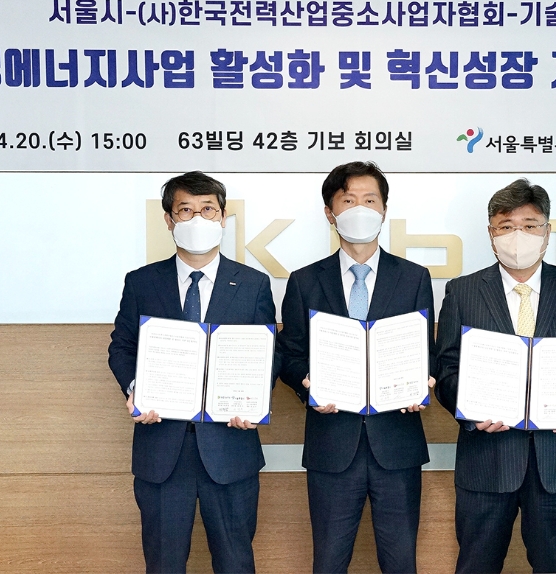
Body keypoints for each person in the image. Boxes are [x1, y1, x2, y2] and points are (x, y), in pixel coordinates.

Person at [434, 179, 556, 574]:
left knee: (555, 566)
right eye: (506, 226)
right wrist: (470, 412)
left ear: (547, 232)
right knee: (476, 565)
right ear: (491, 234)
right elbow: (446, 367)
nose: (518, 235)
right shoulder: (463, 291)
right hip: (486, 461)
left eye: (530, 225)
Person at [108, 171, 276, 574]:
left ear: (223, 218)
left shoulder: (253, 284)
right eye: (186, 210)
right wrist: (137, 388)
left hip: (230, 446)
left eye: (208, 210)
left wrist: (254, 400)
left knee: (236, 562)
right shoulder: (142, 282)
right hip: (162, 448)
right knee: (164, 563)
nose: (198, 219)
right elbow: (122, 346)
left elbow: (268, 353)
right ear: (169, 220)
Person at [276, 161, 435, 573]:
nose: (360, 209)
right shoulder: (304, 281)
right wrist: (307, 383)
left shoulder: (414, 278)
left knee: (401, 563)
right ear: (330, 213)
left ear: (384, 210)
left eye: (370, 200)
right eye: (348, 201)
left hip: (396, 443)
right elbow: (289, 354)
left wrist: (424, 381)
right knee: (329, 562)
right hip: (332, 444)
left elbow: (426, 350)